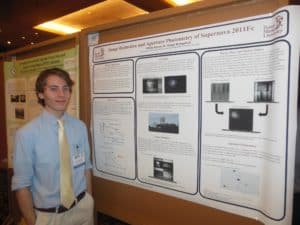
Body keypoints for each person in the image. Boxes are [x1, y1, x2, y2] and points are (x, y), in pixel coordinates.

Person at [11, 68, 94, 225]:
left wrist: (89, 200)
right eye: (54, 89)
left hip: (82, 208)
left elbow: (86, 168)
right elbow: (21, 184)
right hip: (50, 217)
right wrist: (32, 221)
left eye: (66, 88)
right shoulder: (26, 134)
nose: (61, 95)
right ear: (41, 94)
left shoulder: (80, 127)